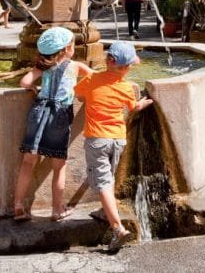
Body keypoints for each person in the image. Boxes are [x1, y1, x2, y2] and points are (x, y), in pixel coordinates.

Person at [74, 40, 153, 253]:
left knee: (102, 182)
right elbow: (133, 107)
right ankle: (106, 211)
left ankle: (117, 228)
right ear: (126, 68)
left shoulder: (92, 79)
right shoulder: (127, 87)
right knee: (108, 177)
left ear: (107, 61)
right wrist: (141, 104)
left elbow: (78, 94)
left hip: (97, 140)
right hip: (118, 139)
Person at [13, 27, 94, 222]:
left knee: (28, 161)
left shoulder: (42, 66)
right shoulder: (75, 66)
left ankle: (18, 205)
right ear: (67, 48)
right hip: (59, 115)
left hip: (39, 111)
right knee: (59, 166)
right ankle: (57, 209)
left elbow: (24, 82)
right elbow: (94, 76)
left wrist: (33, 86)